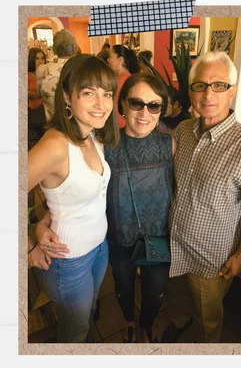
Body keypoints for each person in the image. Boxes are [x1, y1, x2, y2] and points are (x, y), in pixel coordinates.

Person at [37, 73, 176, 343]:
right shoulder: (104, 146)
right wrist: (42, 223)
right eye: (136, 103)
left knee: (155, 292)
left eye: (154, 105)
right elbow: (83, 190)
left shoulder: (168, 145)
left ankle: (145, 325)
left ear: (161, 110)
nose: (145, 112)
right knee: (122, 288)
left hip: (157, 237)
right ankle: (128, 322)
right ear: (122, 105)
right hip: (118, 238)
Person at [161, 50, 241, 343]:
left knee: (209, 314)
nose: (208, 94)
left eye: (219, 85)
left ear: (232, 92)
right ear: (191, 91)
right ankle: (179, 322)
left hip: (210, 258)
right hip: (174, 242)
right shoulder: (184, 130)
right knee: (177, 295)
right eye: (200, 85)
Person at [28, 54, 119, 343]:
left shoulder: (93, 135)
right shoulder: (56, 145)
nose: (101, 104)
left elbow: (71, 194)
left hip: (99, 248)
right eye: (88, 93)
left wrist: (47, 218)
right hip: (69, 261)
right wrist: (29, 244)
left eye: (107, 94)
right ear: (67, 96)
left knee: (88, 313)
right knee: (75, 331)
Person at [36, 29, 78, 122]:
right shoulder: (82, 70)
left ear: (54, 49)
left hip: (52, 126)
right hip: (78, 128)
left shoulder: (42, 70)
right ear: (75, 48)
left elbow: (38, 93)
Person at [28, 47, 47, 224]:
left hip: (43, 119)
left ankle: (49, 201)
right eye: (37, 58)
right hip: (31, 121)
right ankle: (31, 212)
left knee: (45, 165)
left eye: (42, 58)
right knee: (33, 165)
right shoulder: (27, 75)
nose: (40, 61)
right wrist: (37, 93)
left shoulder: (45, 75)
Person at [107, 44, 140, 128]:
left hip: (119, 127)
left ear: (120, 60)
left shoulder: (123, 80)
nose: (108, 60)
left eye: (110, 57)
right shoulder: (121, 78)